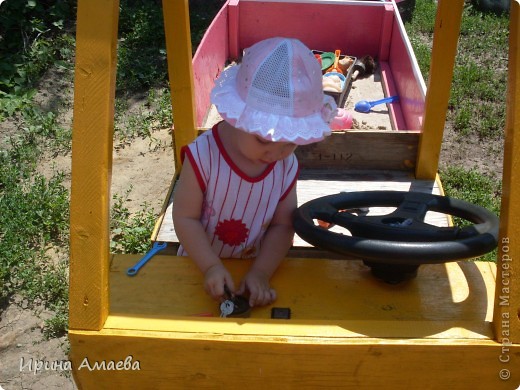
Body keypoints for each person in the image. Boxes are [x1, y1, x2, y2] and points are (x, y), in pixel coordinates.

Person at [173, 37, 336, 308]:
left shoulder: (284, 165)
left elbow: (283, 224)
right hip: (199, 266)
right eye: (263, 140)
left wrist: (261, 272)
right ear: (238, 117)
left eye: (290, 142)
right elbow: (185, 218)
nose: (275, 153)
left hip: (255, 266)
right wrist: (211, 266)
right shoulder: (203, 157)